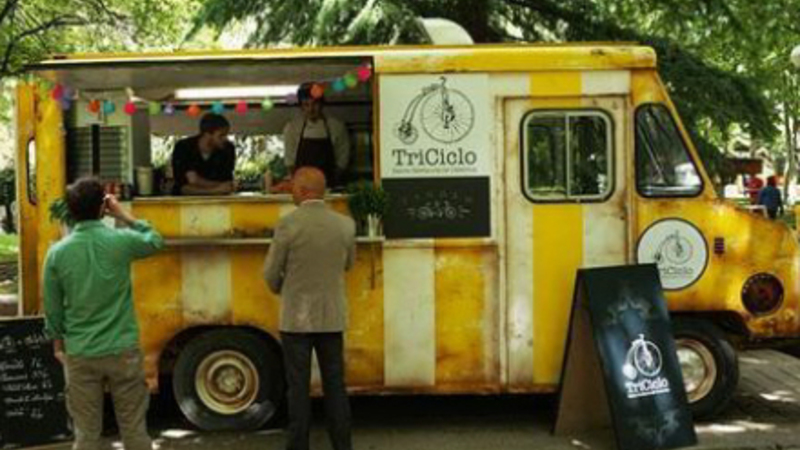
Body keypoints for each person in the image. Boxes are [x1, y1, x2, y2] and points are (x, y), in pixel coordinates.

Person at [43, 177, 164, 450]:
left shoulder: (57, 254)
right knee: (134, 431)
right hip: (123, 349)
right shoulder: (121, 241)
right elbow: (155, 241)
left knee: (86, 435)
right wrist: (124, 215)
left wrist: (58, 345)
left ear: (70, 210)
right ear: (103, 207)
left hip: (81, 351)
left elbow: (52, 307)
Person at [263, 167, 356, 450]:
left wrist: (283, 289)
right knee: (335, 386)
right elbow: (349, 264)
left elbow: (270, 273)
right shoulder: (345, 225)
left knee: (298, 388)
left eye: (292, 186)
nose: (290, 191)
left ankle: (298, 445)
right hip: (332, 316)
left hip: (296, 320)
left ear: (303, 190)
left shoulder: (287, 225)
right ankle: (342, 445)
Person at [283, 83, 350, 187]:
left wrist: (328, 183)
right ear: (301, 107)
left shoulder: (336, 127)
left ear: (322, 105)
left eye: (315, 104)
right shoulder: (292, 128)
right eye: (306, 105)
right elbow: (290, 163)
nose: (311, 109)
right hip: (302, 189)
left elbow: (342, 162)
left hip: (329, 187)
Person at [171, 113, 237, 195]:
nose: (225, 139)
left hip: (218, 200)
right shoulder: (184, 147)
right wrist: (217, 189)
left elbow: (227, 182)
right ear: (207, 134)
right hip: (184, 200)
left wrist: (200, 183)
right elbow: (186, 184)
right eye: (221, 136)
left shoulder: (228, 149)